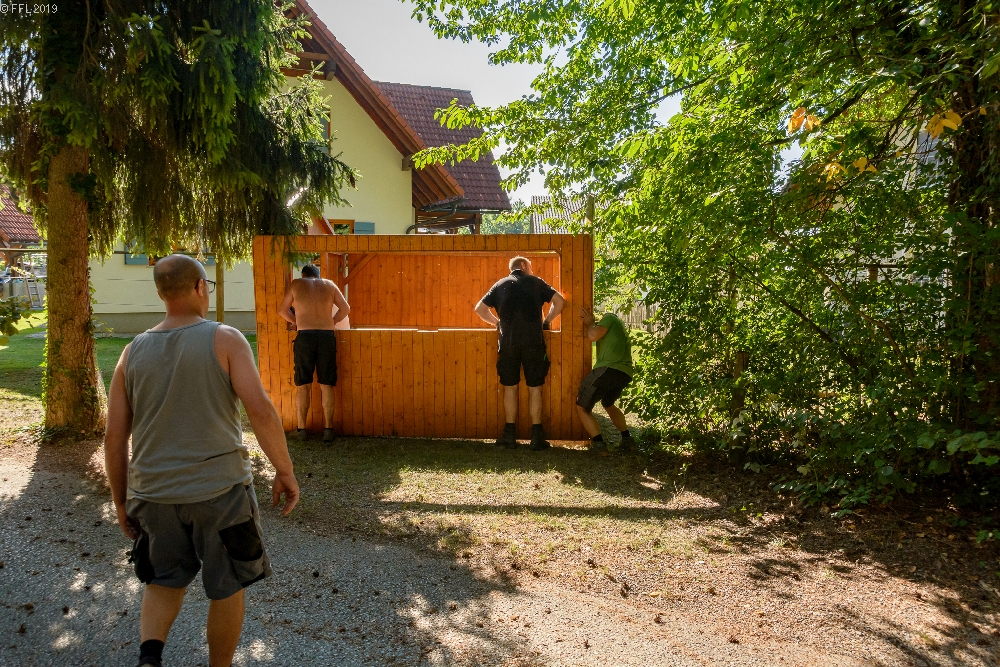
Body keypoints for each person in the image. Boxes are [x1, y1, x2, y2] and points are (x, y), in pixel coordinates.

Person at [103, 254, 300, 667]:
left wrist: (121, 501)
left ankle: (149, 658)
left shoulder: (130, 352)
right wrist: (284, 471)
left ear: (161, 294)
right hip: (221, 493)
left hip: (153, 495)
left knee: (161, 581)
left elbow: (115, 436)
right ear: (199, 288)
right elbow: (260, 410)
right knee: (227, 586)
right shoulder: (225, 339)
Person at [475, 256, 565, 449]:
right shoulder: (536, 282)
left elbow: (480, 309)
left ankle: (509, 436)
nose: (531, 270)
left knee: (510, 387)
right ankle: (536, 437)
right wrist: (546, 322)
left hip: (508, 344)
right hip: (534, 343)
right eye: (530, 267)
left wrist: (498, 323)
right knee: (535, 388)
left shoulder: (500, 284)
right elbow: (559, 301)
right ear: (523, 266)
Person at [278, 263, 350, 443]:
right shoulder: (329, 284)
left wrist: (297, 321)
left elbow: (282, 310)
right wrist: (332, 322)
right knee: (327, 384)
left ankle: (301, 430)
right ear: (317, 276)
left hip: (305, 336)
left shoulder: (297, 284)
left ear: (304, 275)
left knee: (303, 384)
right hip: (326, 336)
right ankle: (328, 430)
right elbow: (345, 309)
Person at [576, 309, 636, 453]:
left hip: (608, 369)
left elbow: (592, 335)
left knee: (581, 407)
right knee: (608, 403)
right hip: (624, 373)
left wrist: (590, 323)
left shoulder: (609, 318)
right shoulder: (621, 329)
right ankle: (628, 440)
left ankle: (599, 445)